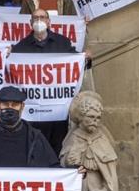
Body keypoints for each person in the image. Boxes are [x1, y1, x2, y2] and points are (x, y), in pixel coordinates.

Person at [10, 9, 90, 154]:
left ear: (48, 21)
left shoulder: (63, 43)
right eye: (35, 18)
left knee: (57, 151)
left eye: (42, 17)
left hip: (57, 117)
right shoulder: (20, 48)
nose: (38, 20)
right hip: (31, 117)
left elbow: (77, 66)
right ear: (30, 23)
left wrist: (85, 58)